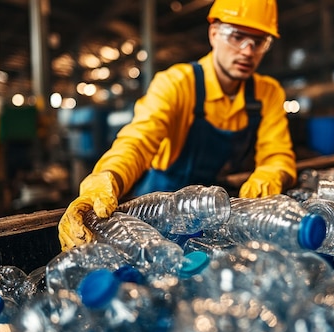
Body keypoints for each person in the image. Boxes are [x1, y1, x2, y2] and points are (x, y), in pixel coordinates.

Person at [58, 0, 297, 251]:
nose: (248, 51)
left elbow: (277, 153)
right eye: (237, 37)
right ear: (214, 33)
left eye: (259, 42)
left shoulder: (266, 93)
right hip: (157, 211)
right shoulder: (175, 84)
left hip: (212, 210)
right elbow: (137, 142)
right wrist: (107, 178)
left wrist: (271, 174)